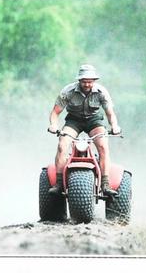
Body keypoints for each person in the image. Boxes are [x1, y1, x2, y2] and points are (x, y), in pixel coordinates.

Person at [47, 64, 121, 196]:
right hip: (74, 121)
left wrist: (114, 126)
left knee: (103, 146)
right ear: (79, 80)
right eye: (84, 81)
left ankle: (105, 183)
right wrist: (53, 125)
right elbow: (55, 112)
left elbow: (110, 113)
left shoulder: (101, 92)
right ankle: (59, 183)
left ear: (94, 81)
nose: (87, 84)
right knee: (62, 145)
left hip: (94, 121)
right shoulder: (68, 91)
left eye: (90, 81)